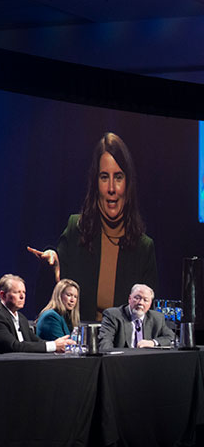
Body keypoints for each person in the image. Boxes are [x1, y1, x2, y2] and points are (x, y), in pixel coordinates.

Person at [29, 132, 158, 322]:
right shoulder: (76, 229)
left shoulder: (144, 247)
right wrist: (51, 268)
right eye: (104, 177)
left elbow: (148, 316)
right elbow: (49, 301)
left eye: (119, 177)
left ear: (128, 184)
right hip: (78, 342)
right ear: (95, 183)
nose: (111, 188)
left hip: (123, 346)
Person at [0, 274, 73, 354]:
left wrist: (57, 344)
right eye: (17, 292)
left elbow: (36, 341)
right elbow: (14, 346)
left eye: (24, 292)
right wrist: (53, 346)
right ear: (3, 295)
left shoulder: (21, 318)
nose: (22, 296)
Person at [98, 284, 174, 351]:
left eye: (145, 300)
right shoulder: (113, 315)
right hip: (121, 361)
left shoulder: (157, 318)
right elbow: (105, 342)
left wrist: (153, 342)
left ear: (150, 303)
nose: (140, 302)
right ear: (129, 299)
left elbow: (170, 337)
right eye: (137, 298)